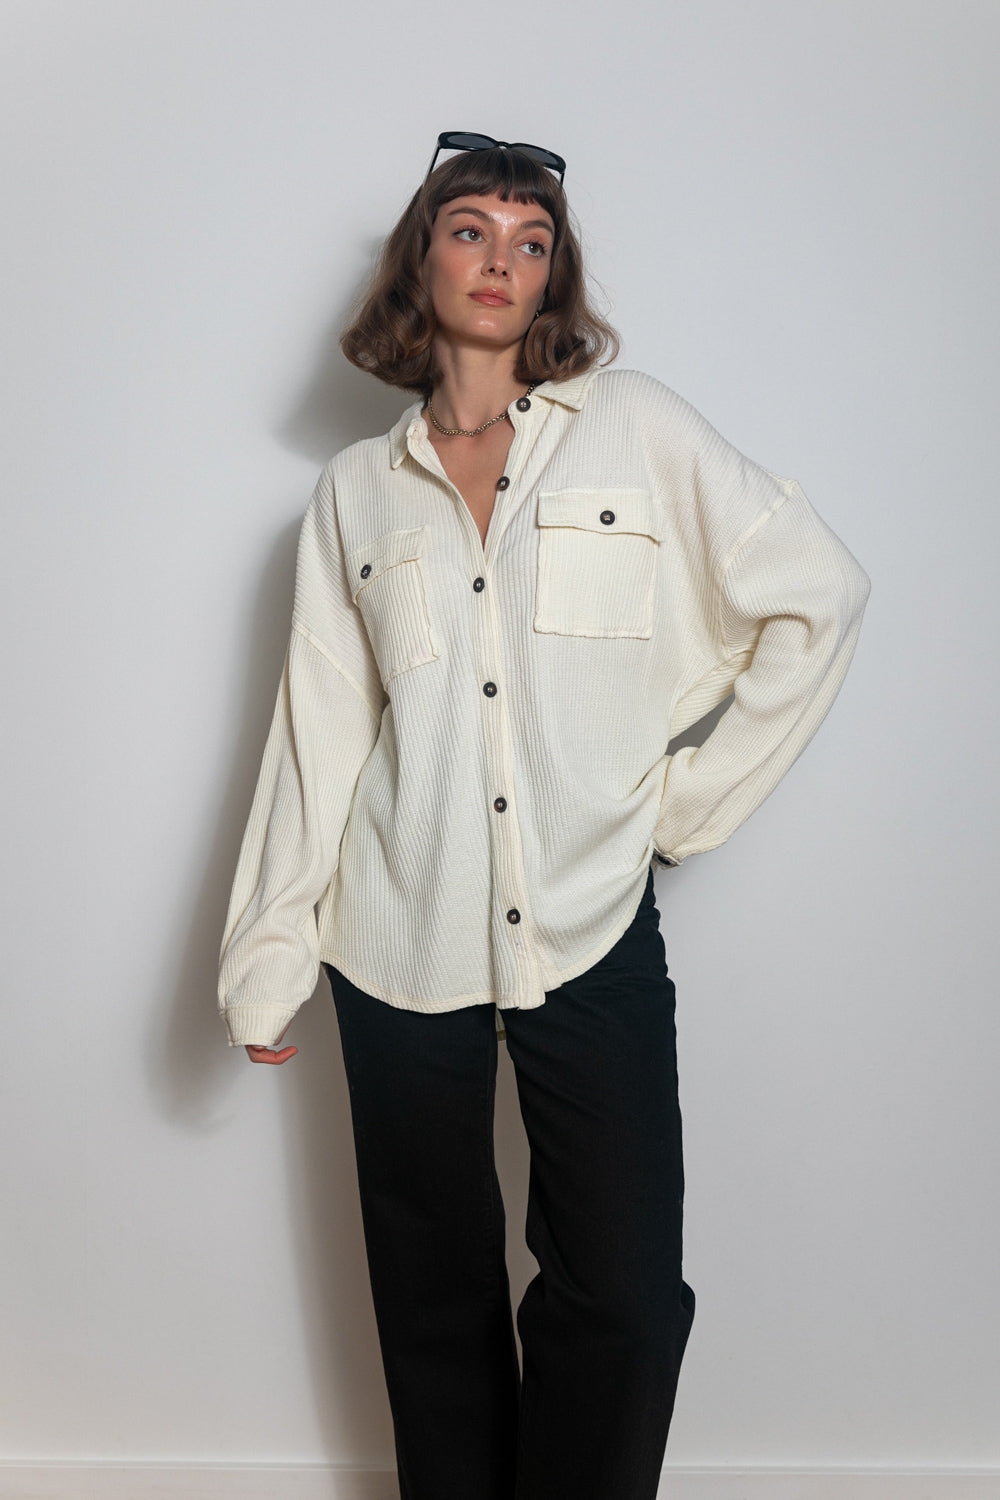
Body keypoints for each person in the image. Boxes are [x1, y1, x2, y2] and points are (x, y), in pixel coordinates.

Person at [217, 132, 871, 1500]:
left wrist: (685, 805)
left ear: (553, 275)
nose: (500, 259)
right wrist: (269, 956)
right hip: (397, 931)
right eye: (471, 229)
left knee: (623, 1292)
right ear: (421, 259)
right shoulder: (354, 495)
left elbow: (818, 594)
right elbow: (317, 733)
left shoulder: (636, 429)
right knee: (431, 1295)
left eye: (532, 240)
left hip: (592, 922)